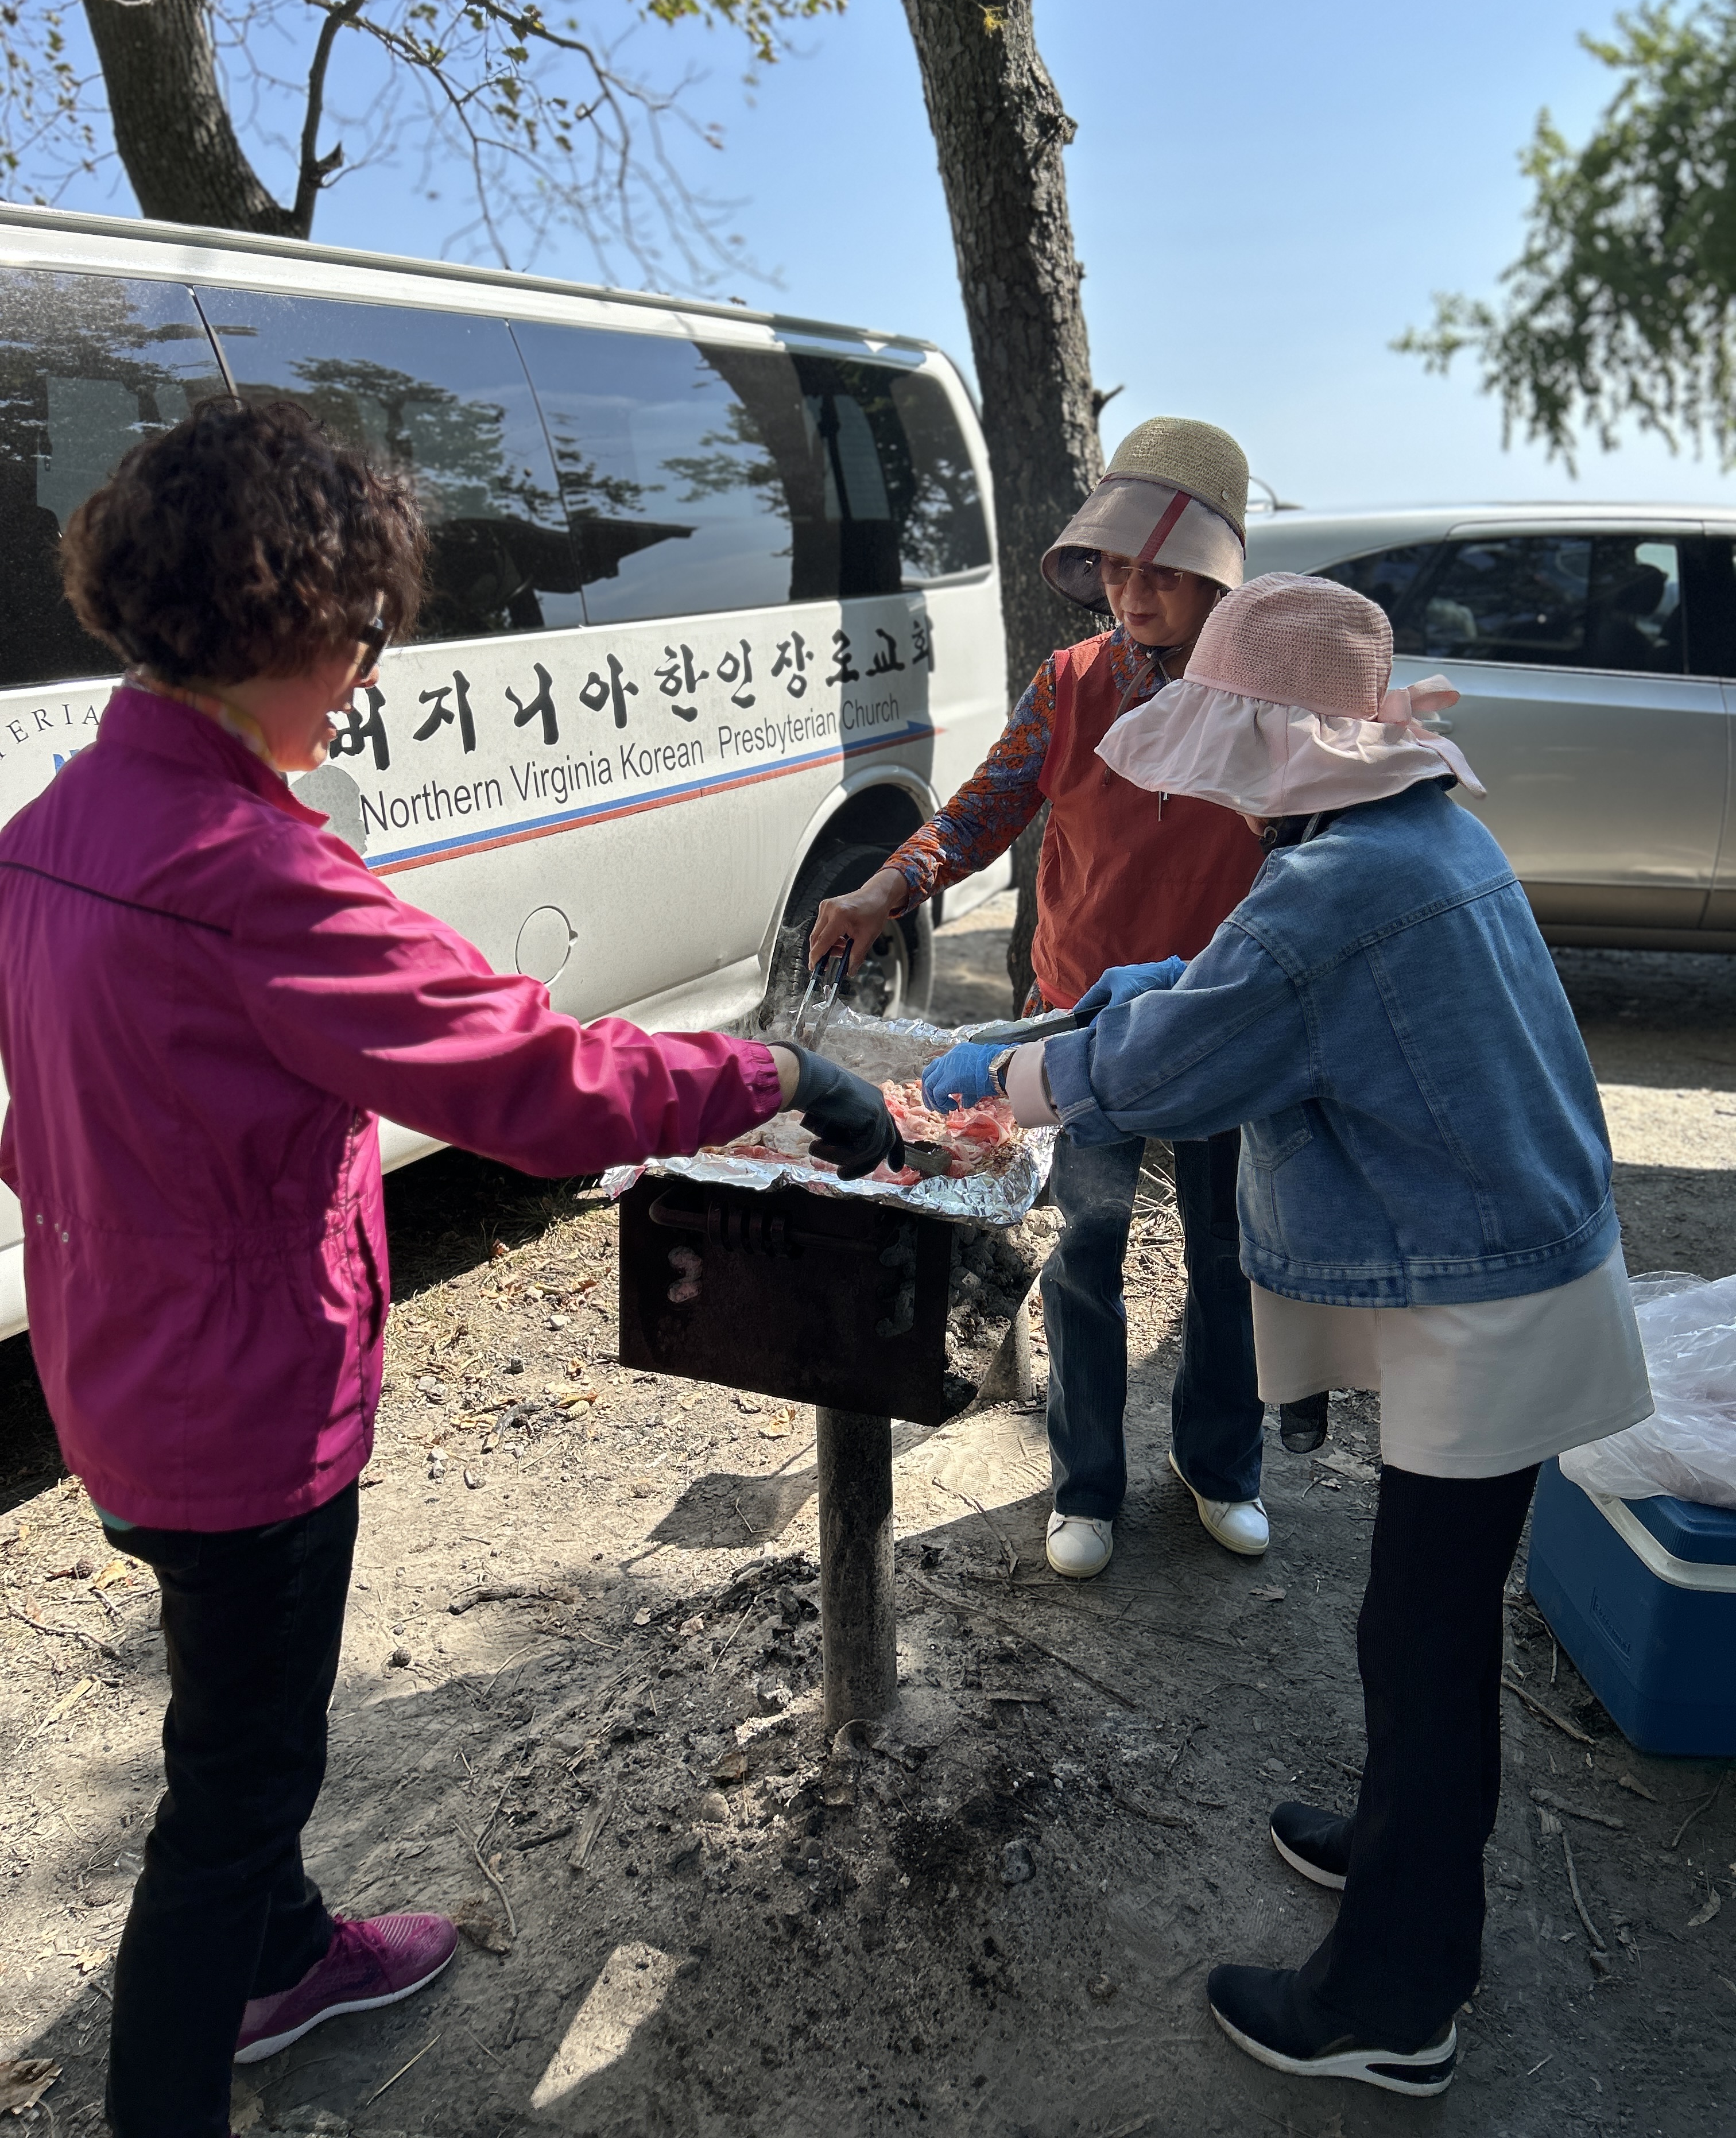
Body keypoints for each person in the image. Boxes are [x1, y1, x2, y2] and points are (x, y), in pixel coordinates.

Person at [0, 396, 898, 2138]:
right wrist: (776, 1069)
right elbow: (541, 1083)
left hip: (113, 1359)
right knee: (230, 1793)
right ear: (279, 623)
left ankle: (285, 1960)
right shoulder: (255, 877)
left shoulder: (55, 824)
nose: (364, 680)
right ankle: (183, 2068)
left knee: (238, 1714)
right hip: (241, 1410)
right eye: (359, 639)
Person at [940, 572, 1653, 2097]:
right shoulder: (1408, 835)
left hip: (1493, 1295)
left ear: (1279, 744)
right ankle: (1403, 1850)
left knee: (1423, 1636)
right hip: (1509, 1252)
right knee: (1423, 1624)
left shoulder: (1337, 886)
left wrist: (1007, 1076)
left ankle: (1396, 1999)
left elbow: (1179, 1067)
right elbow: (1256, 989)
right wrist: (1164, 983)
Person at [811, 418, 1274, 1582]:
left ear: (1217, 578)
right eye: (1115, 569)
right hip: (1080, 1020)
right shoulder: (1071, 686)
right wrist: (883, 889)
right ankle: (1085, 1483)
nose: (1132, 594)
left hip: (1221, 1017)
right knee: (1085, 1247)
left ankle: (1223, 1465)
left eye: (1160, 572)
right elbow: (981, 812)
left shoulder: (1268, 699)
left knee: (1229, 1254)